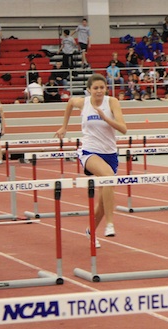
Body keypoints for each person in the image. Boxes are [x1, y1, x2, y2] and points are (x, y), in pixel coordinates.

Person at [54, 74, 127, 247]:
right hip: (89, 152)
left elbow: (123, 129)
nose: (99, 91)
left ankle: (91, 231)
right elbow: (70, 102)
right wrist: (64, 126)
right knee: (108, 176)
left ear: (106, 89)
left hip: (110, 154)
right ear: (89, 90)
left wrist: (105, 118)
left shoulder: (112, 102)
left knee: (102, 203)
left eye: (102, 87)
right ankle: (110, 224)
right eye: (96, 88)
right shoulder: (84, 103)